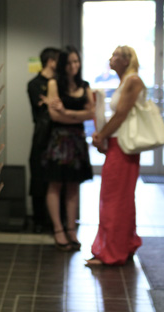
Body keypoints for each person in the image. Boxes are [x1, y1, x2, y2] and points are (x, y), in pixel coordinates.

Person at [88, 45, 145, 266]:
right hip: (119, 145)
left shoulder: (132, 81)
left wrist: (101, 135)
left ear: (125, 60)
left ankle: (111, 252)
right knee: (121, 199)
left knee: (113, 199)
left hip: (122, 147)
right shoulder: (126, 81)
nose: (111, 59)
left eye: (115, 55)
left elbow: (121, 115)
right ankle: (124, 245)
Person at [43, 46, 94, 251]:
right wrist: (77, 115)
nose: (74, 66)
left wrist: (66, 112)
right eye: (70, 62)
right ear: (63, 64)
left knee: (74, 185)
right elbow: (54, 116)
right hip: (59, 140)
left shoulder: (85, 85)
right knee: (55, 184)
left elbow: (91, 113)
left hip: (77, 140)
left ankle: (71, 229)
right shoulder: (54, 83)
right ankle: (58, 229)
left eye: (76, 61)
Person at [27, 47, 60, 233]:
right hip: (42, 136)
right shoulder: (34, 84)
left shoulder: (61, 82)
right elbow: (40, 109)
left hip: (59, 137)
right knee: (38, 177)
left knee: (57, 179)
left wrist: (50, 102)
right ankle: (39, 220)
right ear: (51, 61)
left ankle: (57, 221)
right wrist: (51, 104)